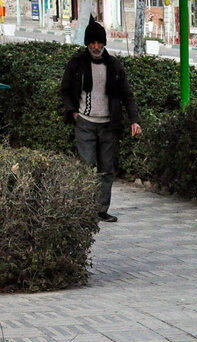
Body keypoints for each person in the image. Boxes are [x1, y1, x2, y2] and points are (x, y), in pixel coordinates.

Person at [60, 18, 141, 223]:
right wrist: (73, 112)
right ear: (87, 44)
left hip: (108, 124)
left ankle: (101, 209)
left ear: (104, 43)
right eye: (92, 43)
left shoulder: (114, 66)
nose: (96, 47)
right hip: (85, 123)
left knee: (107, 169)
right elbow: (66, 91)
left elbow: (127, 94)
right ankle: (84, 209)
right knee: (87, 167)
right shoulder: (77, 64)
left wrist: (134, 120)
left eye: (99, 43)